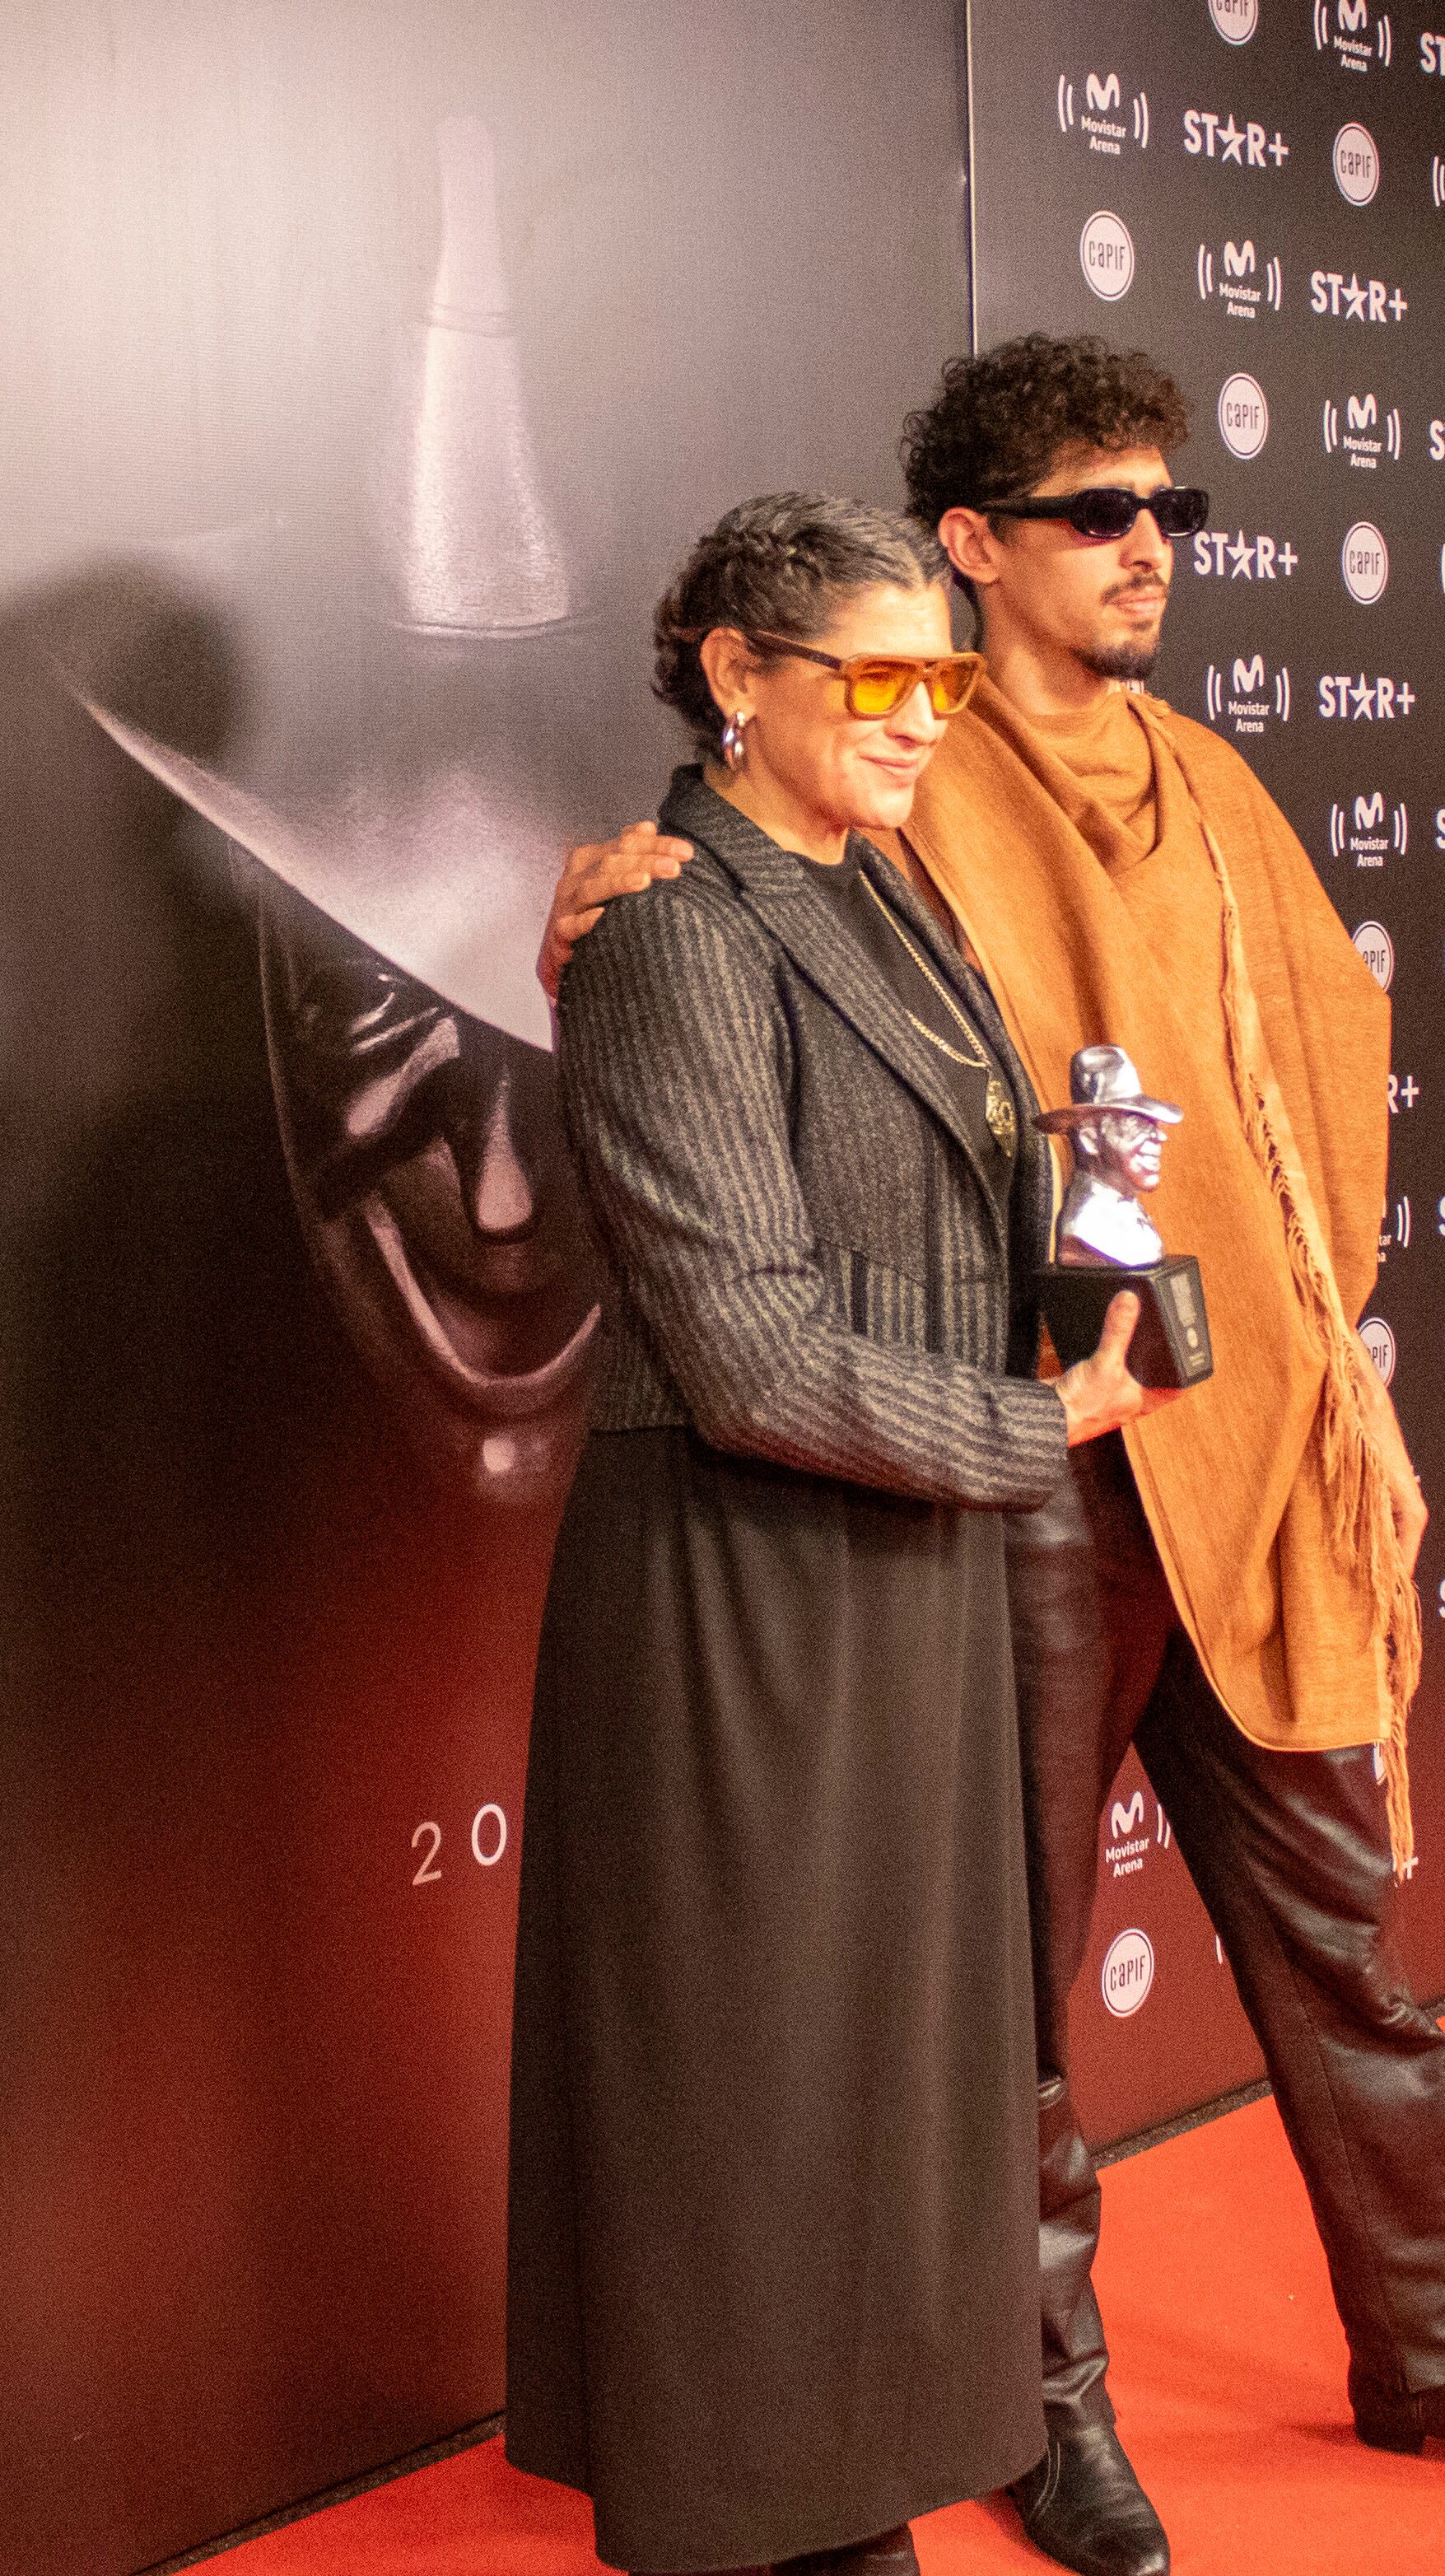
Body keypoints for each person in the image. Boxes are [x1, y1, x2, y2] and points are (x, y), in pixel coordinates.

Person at [537, 339, 1445, 2575]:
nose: (1146, 549)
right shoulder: (878, 789)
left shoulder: (1202, 776)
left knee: (1343, 1927)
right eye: (1093, 512)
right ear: (967, 544)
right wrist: (598, 906)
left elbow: (1301, 1070)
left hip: (1231, 1440)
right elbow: (692, 910)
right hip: (1012, 1478)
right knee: (1004, 1987)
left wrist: (1287, 1355)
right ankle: (1050, 2414)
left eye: (1169, 514)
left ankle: (1428, 2341)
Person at [505, 491, 1173, 2576]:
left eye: (943, 675)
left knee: (890, 2082)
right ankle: (756, 2514)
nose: (923, 718)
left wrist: (1086, 1280)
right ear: (732, 674)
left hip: (900, 1559)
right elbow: (751, 1356)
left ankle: (848, 2489)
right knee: (753, 2094)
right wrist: (1031, 1417)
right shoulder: (672, 929)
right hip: (746, 1586)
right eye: (878, 678)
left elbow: (940, 1188)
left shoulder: (884, 890)